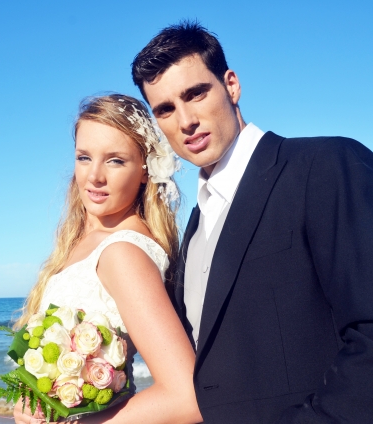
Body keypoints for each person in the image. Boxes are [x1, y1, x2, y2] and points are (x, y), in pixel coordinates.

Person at [131, 21, 373, 423]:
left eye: (196, 93)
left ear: (231, 85)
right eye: (166, 109)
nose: (185, 120)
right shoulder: (194, 226)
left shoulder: (326, 167)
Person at [13, 94, 203, 423]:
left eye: (115, 160)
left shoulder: (123, 253)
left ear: (145, 169)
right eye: (84, 157)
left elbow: (186, 397)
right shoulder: (84, 241)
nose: (94, 176)